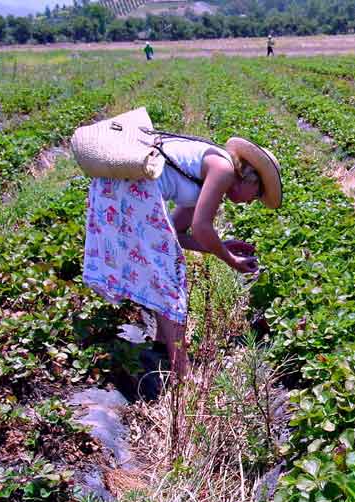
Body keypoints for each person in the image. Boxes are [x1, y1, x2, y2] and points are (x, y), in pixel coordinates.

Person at [82, 133, 282, 382]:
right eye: (256, 195)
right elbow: (202, 228)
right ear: (252, 179)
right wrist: (230, 258)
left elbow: (175, 234)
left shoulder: (208, 175)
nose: (251, 202)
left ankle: (161, 348)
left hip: (118, 188)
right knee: (170, 278)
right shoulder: (223, 170)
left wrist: (220, 246)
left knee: (163, 267)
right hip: (128, 190)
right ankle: (182, 372)